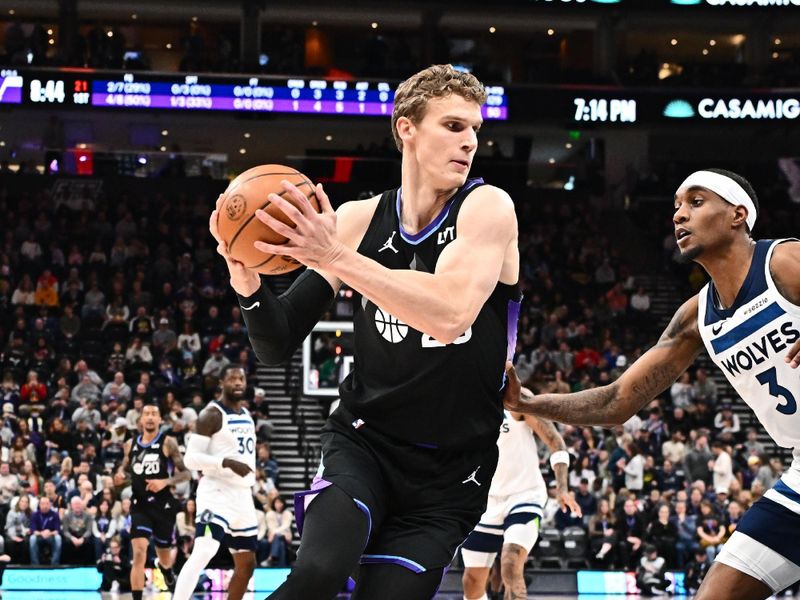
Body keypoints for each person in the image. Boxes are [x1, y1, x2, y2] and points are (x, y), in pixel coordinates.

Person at [209, 64, 519, 599]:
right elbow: (278, 341)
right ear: (406, 128)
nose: (469, 142)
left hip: (451, 470)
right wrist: (249, 286)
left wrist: (334, 256)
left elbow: (450, 316)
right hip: (366, 441)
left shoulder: (486, 207)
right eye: (452, 126)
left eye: (475, 130)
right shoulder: (357, 220)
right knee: (318, 574)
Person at [506, 168, 800, 599]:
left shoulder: (784, 262)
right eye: (677, 206)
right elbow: (616, 402)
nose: (679, 215)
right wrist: (529, 401)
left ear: (738, 214)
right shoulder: (695, 318)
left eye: (696, 202)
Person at [461, 406, 580, 600]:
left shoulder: (517, 397)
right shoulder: (466, 404)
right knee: (471, 582)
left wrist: (562, 487)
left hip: (524, 495)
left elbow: (556, 442)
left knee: (511, 561)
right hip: (485, 501)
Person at [172, 366, 257, 600]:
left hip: (242, 495)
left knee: (247, 562)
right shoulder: (211, 414)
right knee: (204, 551)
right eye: (233, 378)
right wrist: (226, 462)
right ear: (222, 382)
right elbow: (190, 458)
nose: (238, 382)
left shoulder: (246, 414)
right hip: (216, 492)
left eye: (242, 378)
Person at [114, 401, 190, 600]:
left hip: (163, 506)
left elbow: (186, 473)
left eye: (153, 413)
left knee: (164, 556)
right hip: (140, 506)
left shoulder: (168, 442)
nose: (149, 417)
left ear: (159, 419)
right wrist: (120, 477)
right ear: (140, 419)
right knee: (139, 553)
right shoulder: (130, 445)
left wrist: (166, 481)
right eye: (146, 413)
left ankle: (165, 570)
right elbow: (124, 471)